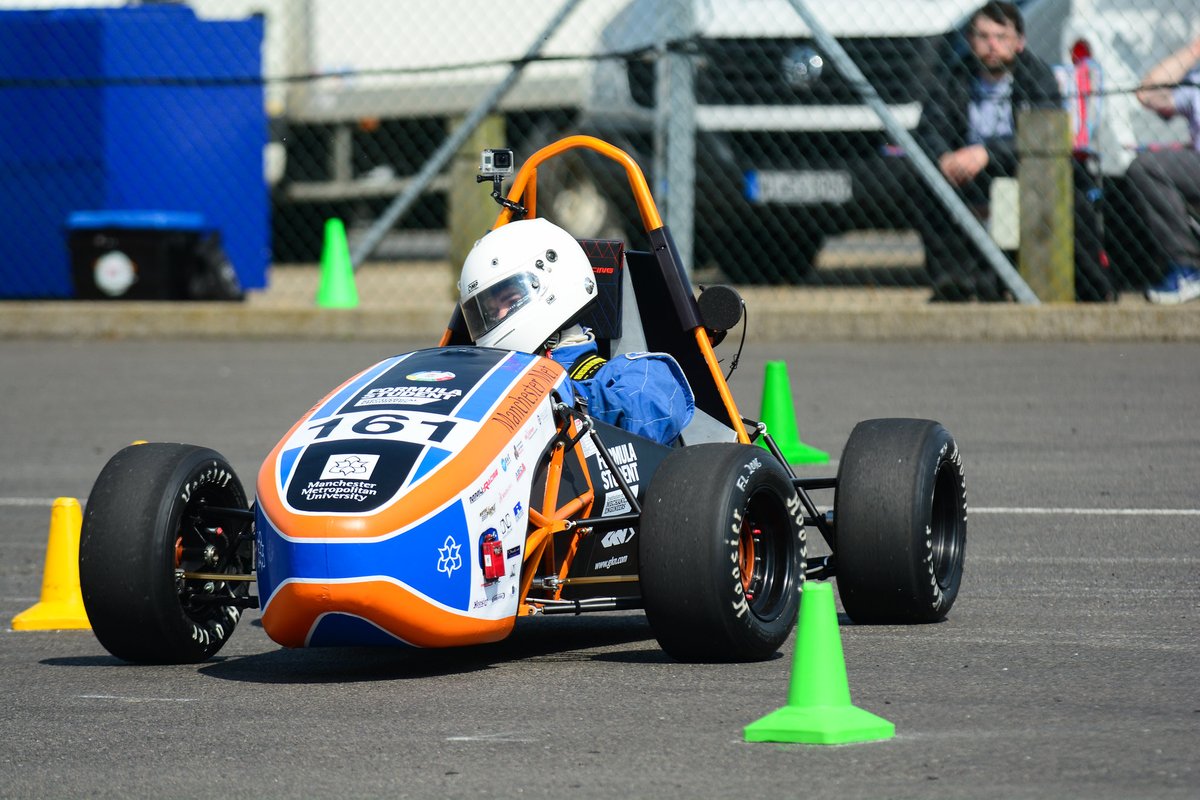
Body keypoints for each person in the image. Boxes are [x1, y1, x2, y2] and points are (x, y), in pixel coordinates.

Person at [912, 0, 1112, 302]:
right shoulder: (953, 78)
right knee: (924, 184)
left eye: (1001, 37)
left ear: (1019, 42)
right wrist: (944, 158)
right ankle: (954, 284)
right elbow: (929, 128)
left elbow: (1046, 136)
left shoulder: (1037, 77)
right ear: (970, 40)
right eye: (983, 36)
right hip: (969, 174)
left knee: (1066, 195)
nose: (992, 45)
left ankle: (1086, 287)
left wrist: (986, 153)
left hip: (1024, 170)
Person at [458, 217, 695, 445]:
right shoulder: (485, 380)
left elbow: (652, 413)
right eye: (489, 312)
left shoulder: (623, 374)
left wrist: (562, 396)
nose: (499, 316)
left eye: (510, 300)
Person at [1128, 35, 1200, 305]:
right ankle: (1187, 269)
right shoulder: (1195, 82)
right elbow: (1147, 94)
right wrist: (1194, 51)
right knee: (1146, 167)